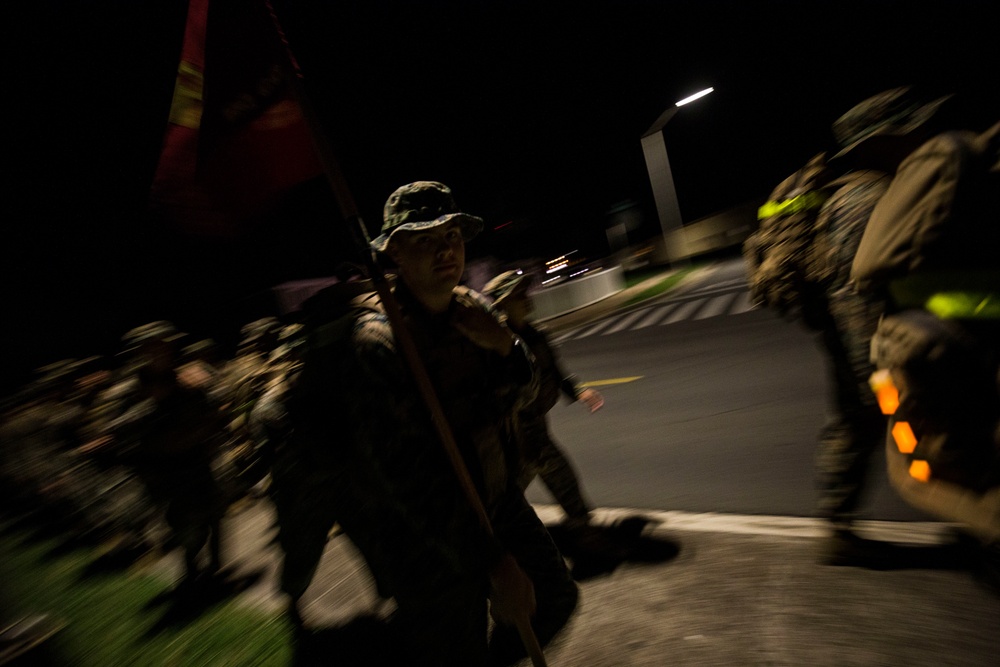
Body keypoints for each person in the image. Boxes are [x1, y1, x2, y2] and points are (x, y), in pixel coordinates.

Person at [288, 181, 578, 665]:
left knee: (556, 599)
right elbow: (407, 482)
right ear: (394, 252)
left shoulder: (476, 309)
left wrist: (505, 346)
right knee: (453, 645)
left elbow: (526, 396)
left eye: (454, 236)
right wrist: (493, 562)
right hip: (423, 539)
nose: (446, 249)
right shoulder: (378, 342)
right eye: (425, 239)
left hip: (496, 501)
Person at [808, 87, 957, 563]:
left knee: (863, 426)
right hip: (868, 344)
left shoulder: (882, 188)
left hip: (874, 339)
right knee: (886, 422)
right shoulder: (863, 200)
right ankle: (844, 525)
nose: (922, 135)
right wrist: (875, 372)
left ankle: (838, 523)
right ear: (877, 141)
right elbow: (852, 294)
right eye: (909, 129)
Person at [482, 270, 603, 531]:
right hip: (516, 427)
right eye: (518, 295)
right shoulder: (497, 342)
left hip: (536, 421)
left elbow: (554, 370)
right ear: (502, 303)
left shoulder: (537, 334)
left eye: (525, 292)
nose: (527, 298)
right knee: (556, 472)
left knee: (514, 485)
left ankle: (494, 531)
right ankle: (582, 525)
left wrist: (578, 391)